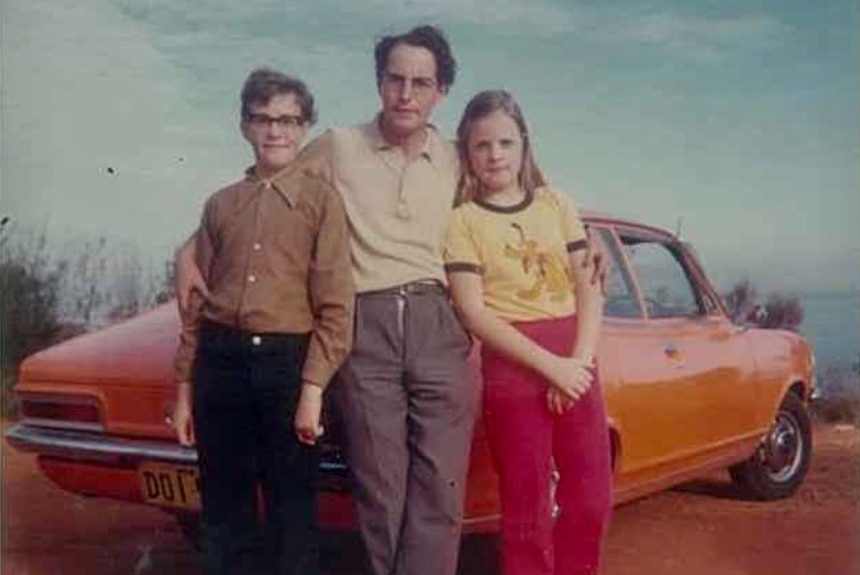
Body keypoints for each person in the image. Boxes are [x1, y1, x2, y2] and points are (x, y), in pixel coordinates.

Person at [175, 25, 608, 575]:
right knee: (381, 489)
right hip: (367, 323)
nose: (407, 93)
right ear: (379, 83)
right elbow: (263, 189)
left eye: (421, 83)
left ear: (441, 92)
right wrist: (188, 252)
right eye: (395, 79)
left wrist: (588, 239)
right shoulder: (338, 145)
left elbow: (527, 196)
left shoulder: (458, 156)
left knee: (438, 492)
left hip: (440, 322)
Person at [170, 68, 354, 575]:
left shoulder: (322, 203)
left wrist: (313, 389)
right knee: (223, 512)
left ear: (304, 128)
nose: (275, 131)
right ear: (245, 127)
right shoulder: (220, 205)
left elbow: (337, 307)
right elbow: (195, 305)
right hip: (219, 362)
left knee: (292, 511)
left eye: (288, 120)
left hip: (287, 366)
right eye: (263, 119)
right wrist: (184, 388)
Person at [442, 90, 612, 575]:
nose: (495, 155)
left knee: (591, 499)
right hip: (513, 365)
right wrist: (551, 368)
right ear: (467, 154)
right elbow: (474, 313)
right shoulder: (462, 222)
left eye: (505, 143)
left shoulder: (555, 203)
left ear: (523, 146)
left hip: (575, 359)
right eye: (482, 146)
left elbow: (589, 286)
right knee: (527, 510)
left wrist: (577, 363)